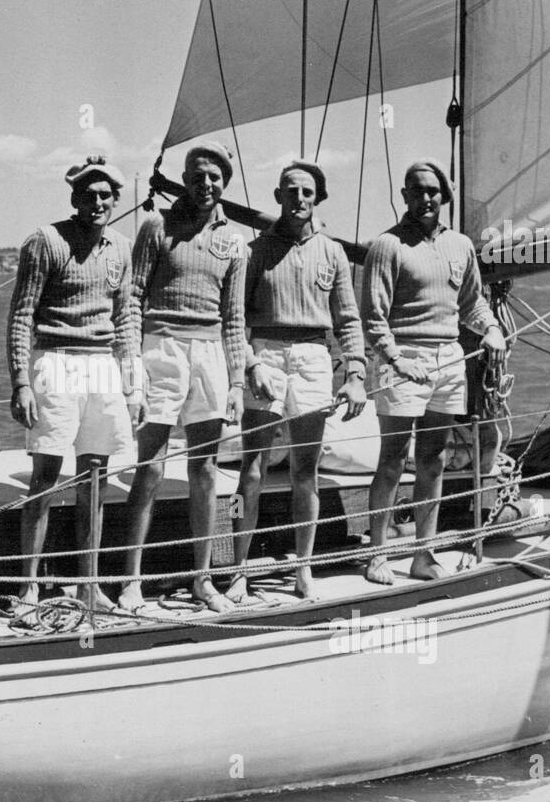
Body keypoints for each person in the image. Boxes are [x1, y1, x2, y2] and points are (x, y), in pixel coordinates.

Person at [361, 161, 507, 584]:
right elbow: (373, 318)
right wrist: (395, 359)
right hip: (401, 358)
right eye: (417, 191)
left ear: (445, 196)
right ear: (405, 195)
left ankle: (424, 555)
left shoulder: (460, 246)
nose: (427, 198)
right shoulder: (386, 246)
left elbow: (472, 304)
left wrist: (492, 329)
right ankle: (377, 556)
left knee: (434, 459)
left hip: (448, 358)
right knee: (391, 460)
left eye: (434, 191)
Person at [228, 162, 367, 603]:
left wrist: (357, 373)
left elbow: (348, 321)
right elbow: (233, 318)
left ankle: (303, 568)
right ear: (278, 196)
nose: (299, 198)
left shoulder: (334, 254)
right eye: (291, 191)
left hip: (313, 358)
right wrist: (249, 364)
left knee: (305, 471)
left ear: (318, 199)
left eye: (308, 192)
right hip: (265, 353)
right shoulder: (254, 251)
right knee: (251, 470)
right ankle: (237, 569)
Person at [7, 156, 139, 616]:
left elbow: (126, 318)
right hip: (55, 364)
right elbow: (22, 314)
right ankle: (28, 589)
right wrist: (21, 381)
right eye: (89, 195)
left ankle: (90, 585)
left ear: (116, 201)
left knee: (96, 481)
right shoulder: (45, 241)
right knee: (44, 480)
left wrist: (132, 382)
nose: (98, 202)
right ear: (74, 199)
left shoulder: (122, 247)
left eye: (106, 196)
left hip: (101, 367)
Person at [119, 141, 246, 613]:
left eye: (214, 177)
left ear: (224, 183)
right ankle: (131, 580)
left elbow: (234, 318)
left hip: (211, 352)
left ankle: (202, 578)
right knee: (149, 467)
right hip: (161, 348)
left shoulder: (235, 242)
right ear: (186, 179)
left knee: (205, 469)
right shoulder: (156, 227)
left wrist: (236, 382)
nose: (205, 183)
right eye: (197, 175)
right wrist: (132, 361)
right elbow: (131, 297)